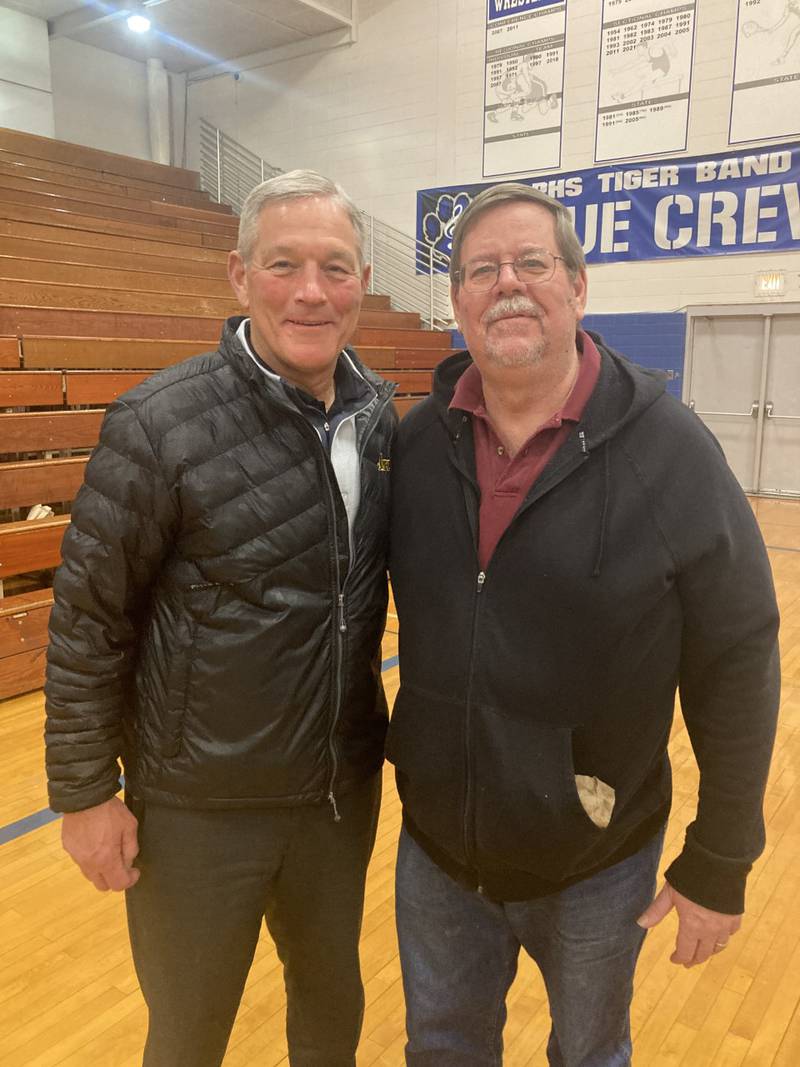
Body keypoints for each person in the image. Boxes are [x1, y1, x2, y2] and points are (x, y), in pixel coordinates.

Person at [387, 182, 780, 1065]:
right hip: (439, 851)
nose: (508, 284)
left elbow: (739, 656)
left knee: (591, 1055)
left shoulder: (671, 450)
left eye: (532, 262)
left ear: (577, 285)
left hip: (595, 860)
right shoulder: (417, 448)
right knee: (441, 1047)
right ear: (456, 302)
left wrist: (722, 854)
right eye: (482, 270)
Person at [44, 169, 397, 1067]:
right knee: (190, 1033)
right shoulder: (157, 424)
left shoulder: (384, 419)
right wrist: (85, 793)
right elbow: (89, 617)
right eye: (284, 264)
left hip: (335, 797)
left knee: (332, 1011)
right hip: (196, 810)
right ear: (240, 277)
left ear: (362, 281)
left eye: (334, 266)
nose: (310, 291)